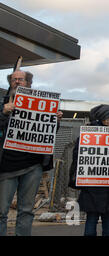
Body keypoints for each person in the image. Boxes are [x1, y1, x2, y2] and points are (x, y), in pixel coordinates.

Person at [0, 70, 63, 236]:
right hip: (6, 166)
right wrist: (3, 114)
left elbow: (48, 134)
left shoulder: (41, 104)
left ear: (28, 83)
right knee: (1, 211)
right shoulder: (3, 104)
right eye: (14, 80)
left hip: (32, 165)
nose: (17, 82)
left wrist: (54, 121)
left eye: (21, 79)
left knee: (26, 211)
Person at [72, 104, 109, 236]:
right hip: (93, 187)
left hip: (107, 187)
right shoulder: (88, 133)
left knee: (102, 222)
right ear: (106, 118)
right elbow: (78, 157)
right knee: (95, 221)